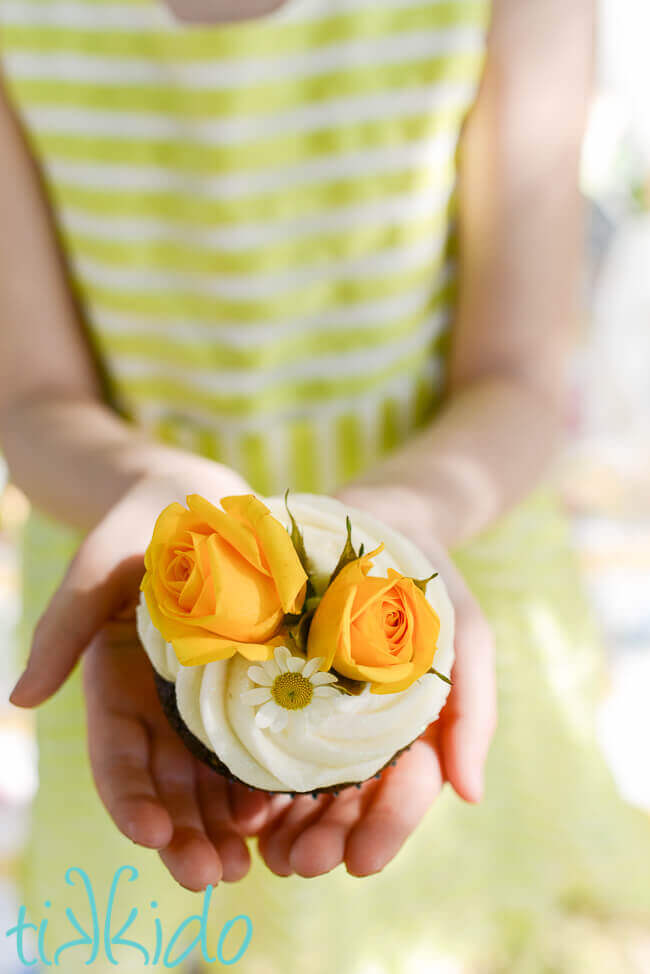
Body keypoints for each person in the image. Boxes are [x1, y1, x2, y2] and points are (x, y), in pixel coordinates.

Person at [2, 0, 649, 970]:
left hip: (443, 541)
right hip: (133, 573)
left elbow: (514, 379)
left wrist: (395, 521)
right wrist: (160, 489)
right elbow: (33, 397)